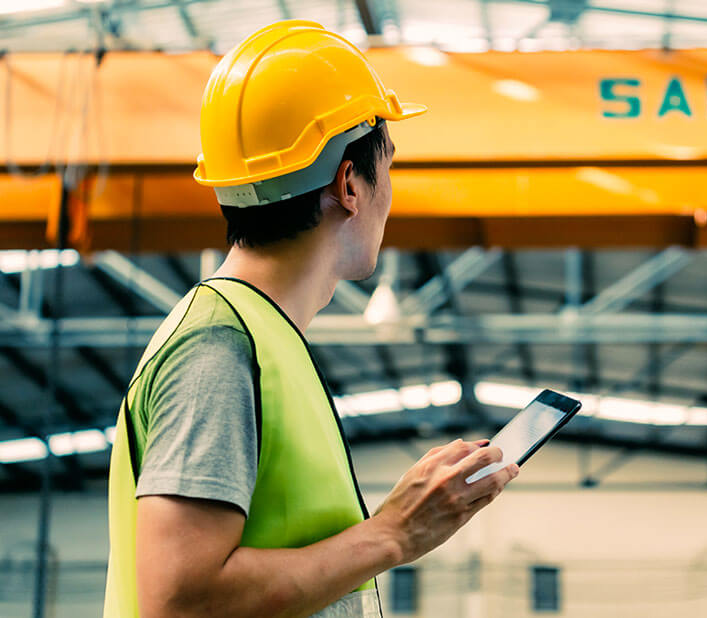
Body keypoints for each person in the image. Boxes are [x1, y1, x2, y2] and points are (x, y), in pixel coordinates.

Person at [103, 20, 518, 618]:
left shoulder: (259, 338)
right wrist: (393, 534)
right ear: (350, 183)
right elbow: (181, 600)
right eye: (389, 166)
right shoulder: (220, 347)